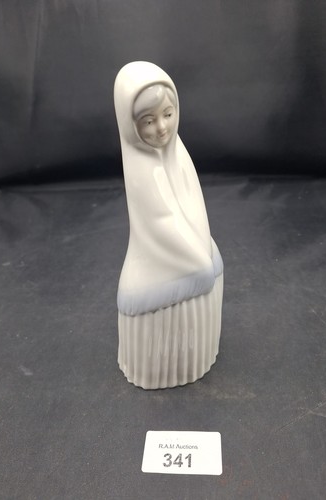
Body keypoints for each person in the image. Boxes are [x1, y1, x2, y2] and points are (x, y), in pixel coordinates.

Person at [114, 61, 223, 389]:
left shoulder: (178, 151)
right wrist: (198, 260)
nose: (162, 127)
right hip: (162, 267)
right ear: (130, 124)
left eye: (168, 114)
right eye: (148, 121)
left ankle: (196, 355)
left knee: (210, 274)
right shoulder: (142, 169)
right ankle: (160, 369)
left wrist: (204, 247)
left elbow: (193, 203)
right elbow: (162, 222)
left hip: (194, 253)